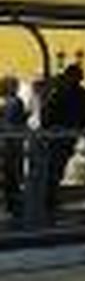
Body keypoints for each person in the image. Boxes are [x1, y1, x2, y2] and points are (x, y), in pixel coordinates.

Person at [41, 63, 85, 216]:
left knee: (52, 169)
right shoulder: (83, 95)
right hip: (66, 135)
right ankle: (49, 200)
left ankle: (48, 200)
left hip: (58, 135)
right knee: (54, 169)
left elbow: (48, 115)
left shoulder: (62, 94)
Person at [0, 76, 27, 221]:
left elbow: (9, 124)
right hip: (12, 144)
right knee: (12, 177)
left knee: (11, 177)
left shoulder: (12, 103)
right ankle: (13, 206)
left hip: (10, 145)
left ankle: (14, 207)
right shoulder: (14, 102)